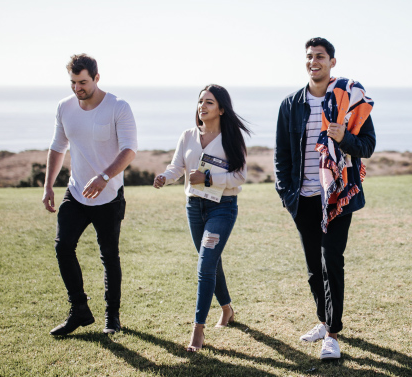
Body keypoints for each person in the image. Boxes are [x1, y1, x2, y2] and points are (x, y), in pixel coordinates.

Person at [274, 37, 376, 360]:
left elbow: (368, 146)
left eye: (320, 56)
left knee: (331, 260)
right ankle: (323, 319)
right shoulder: (290, 105)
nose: (313, 61)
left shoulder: (348, 100)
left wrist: (344, 136)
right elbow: (282, 156)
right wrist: (288, 196)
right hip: (303, 198)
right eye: (309, 56)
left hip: (337, 197)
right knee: (312, 270)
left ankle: (332, 334)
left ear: (333, 62)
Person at [43, 53, 137, 336]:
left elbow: (129, 150)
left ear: (96, 78)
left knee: (109, 255)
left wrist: (104, 176)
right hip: (76, 192)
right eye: (73, 82)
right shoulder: (64, 107)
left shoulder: (118, 107)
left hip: (108, 195)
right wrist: (48, 185)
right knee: (63, 247)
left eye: (83, 82)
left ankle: (112, 317)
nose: (77, 88)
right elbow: (58, 147)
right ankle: (79, 310)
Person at [152, 84, 250, 352]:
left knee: (205, 264)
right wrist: (165, 177)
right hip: (194, 208)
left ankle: (198, 330)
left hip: (222, 207)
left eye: (209, 102)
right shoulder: (187, 135)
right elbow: (176, 167)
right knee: (211, 262)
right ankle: (227, 309)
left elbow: (240, 176)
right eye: (200, 102)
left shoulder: (232, 137)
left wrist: (207, 178)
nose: (202, 106)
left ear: (221, 108)